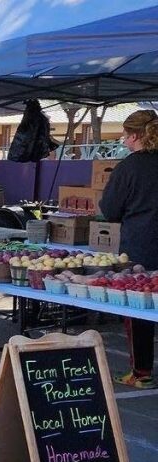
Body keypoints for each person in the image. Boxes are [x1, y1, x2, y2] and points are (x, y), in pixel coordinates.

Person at [100, 109, 158, 388]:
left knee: (139, 309)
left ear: (135, 136)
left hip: (141, 247)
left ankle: (141, 373)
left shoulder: (129, 167)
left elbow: (110, 209)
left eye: (124, 135)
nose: (123, 140)